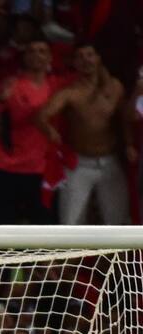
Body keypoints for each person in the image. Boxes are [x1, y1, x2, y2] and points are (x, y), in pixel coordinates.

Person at [35, 42, 134, 225]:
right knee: (70, 224)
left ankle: (118, 255)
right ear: (74, 63)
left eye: (89, 55)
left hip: (110, 162)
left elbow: (124, 118)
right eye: (80, 57)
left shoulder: (114, 87)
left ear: (98, 59)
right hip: (79, 164)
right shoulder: (69, 93)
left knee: (118, 223)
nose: (85, 60)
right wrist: (50, 131)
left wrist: (129, 143)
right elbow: (42, 115)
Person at [0, 38, 58, 224]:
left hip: (44, 168)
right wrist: (2, 99)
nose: (37, 55)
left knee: (44, 228)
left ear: (50, 57)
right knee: (6, 227)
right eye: (32, 51)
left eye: (42, 51)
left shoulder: (57, 86)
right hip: (10, 166)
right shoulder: (12, 85)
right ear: (25, 57)